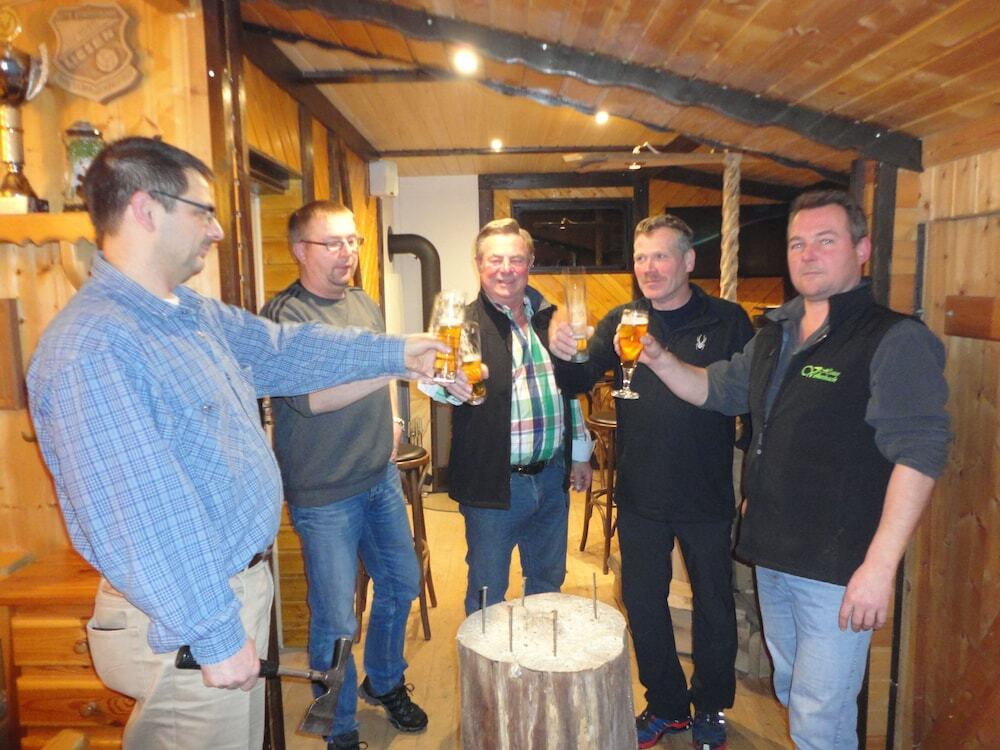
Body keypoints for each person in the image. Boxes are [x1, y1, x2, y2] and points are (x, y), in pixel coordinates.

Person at [26, 138, 443, 750]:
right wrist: (214, 632)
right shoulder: (94, 346)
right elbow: (142, 513)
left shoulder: (187, 313)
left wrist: (400, 351)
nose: (218, 230)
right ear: (146, 209)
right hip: (184, 620)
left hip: (225, 593)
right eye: (203, 212)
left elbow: (284, 349)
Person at [636, 190, 950, 749]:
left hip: (836, 566)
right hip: (774, 556)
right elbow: (713, 389)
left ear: (861, 249)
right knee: (791, 690)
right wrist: (660, 360)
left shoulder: (893, 338)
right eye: (797, 243)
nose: (808, 254)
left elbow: (920, 452)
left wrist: (879, 567)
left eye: (825, 241)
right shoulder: (775, 335)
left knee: (819, 715)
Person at [549, 214, 753, 750]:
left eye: (660, 256)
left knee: (714, 606)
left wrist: (753, 482)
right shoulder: (623, 319)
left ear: (688, 260)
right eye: (641, 258)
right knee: (642, 602)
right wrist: (564, 348)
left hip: (706, 493)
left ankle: (710, 705)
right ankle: (666, 704)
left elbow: (753, 406)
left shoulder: (728, 321)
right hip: (640, 493)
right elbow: (577, 379)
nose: (648, 268)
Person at [260, 200, 426, 750]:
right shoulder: (285, 316)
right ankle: (340, 725)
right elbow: (310, 400)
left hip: (378, 476)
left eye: (352, 241)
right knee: (336, 619)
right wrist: (395, 364)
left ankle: (385, 681)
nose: (348, 252)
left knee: (401, 585)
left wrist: (394, 417)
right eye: (333, 243)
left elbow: (376, 376)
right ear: (300, 250)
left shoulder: (363, 302)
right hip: (324, 493)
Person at [424, 218, 592, 615]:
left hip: (551, 478)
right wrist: (446, 382)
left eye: (516, 259)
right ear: (479, 264)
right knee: (488, 594)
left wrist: (581, 452)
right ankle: (487, 660)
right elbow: (437, 383)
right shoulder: (460, 324)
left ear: (529, 263)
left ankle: (539, 656)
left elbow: (567, 391)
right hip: (493, 485)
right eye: (495, 260)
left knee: (548, 586)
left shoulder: (550, 319)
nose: (505, 269)